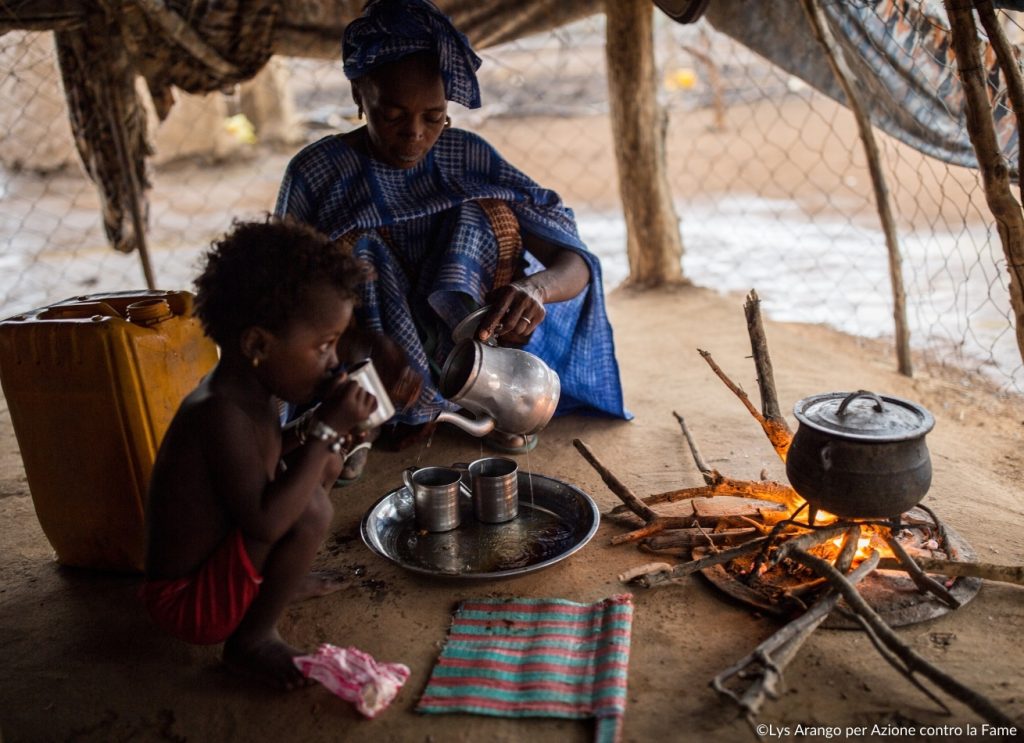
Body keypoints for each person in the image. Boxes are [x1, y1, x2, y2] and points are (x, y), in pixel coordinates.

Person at [275, 0, 630, 455]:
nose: (415, 134)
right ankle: (383, 415)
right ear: (358, 95)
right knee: (358, 250)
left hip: (474, 348)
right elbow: (283, 296)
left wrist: (535, 291)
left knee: (487, 215)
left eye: (434, 116)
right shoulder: (318, 172)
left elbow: (573, 260)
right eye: (393, 115)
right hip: (366, 358)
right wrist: (361, 343)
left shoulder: (467, 157)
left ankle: (482, 393)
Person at [141, 216, 379, 690]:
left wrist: (319, 432)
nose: (334, 361)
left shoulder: (252, 388)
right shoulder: (220, 412)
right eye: (325, 346)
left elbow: (265, 456)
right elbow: (265, 522)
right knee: (309, 507)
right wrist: (328, 430)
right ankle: (251, 640)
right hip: (190, 601)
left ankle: (275, 585)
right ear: (257, 344)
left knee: (323, 462)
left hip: (219, 563)